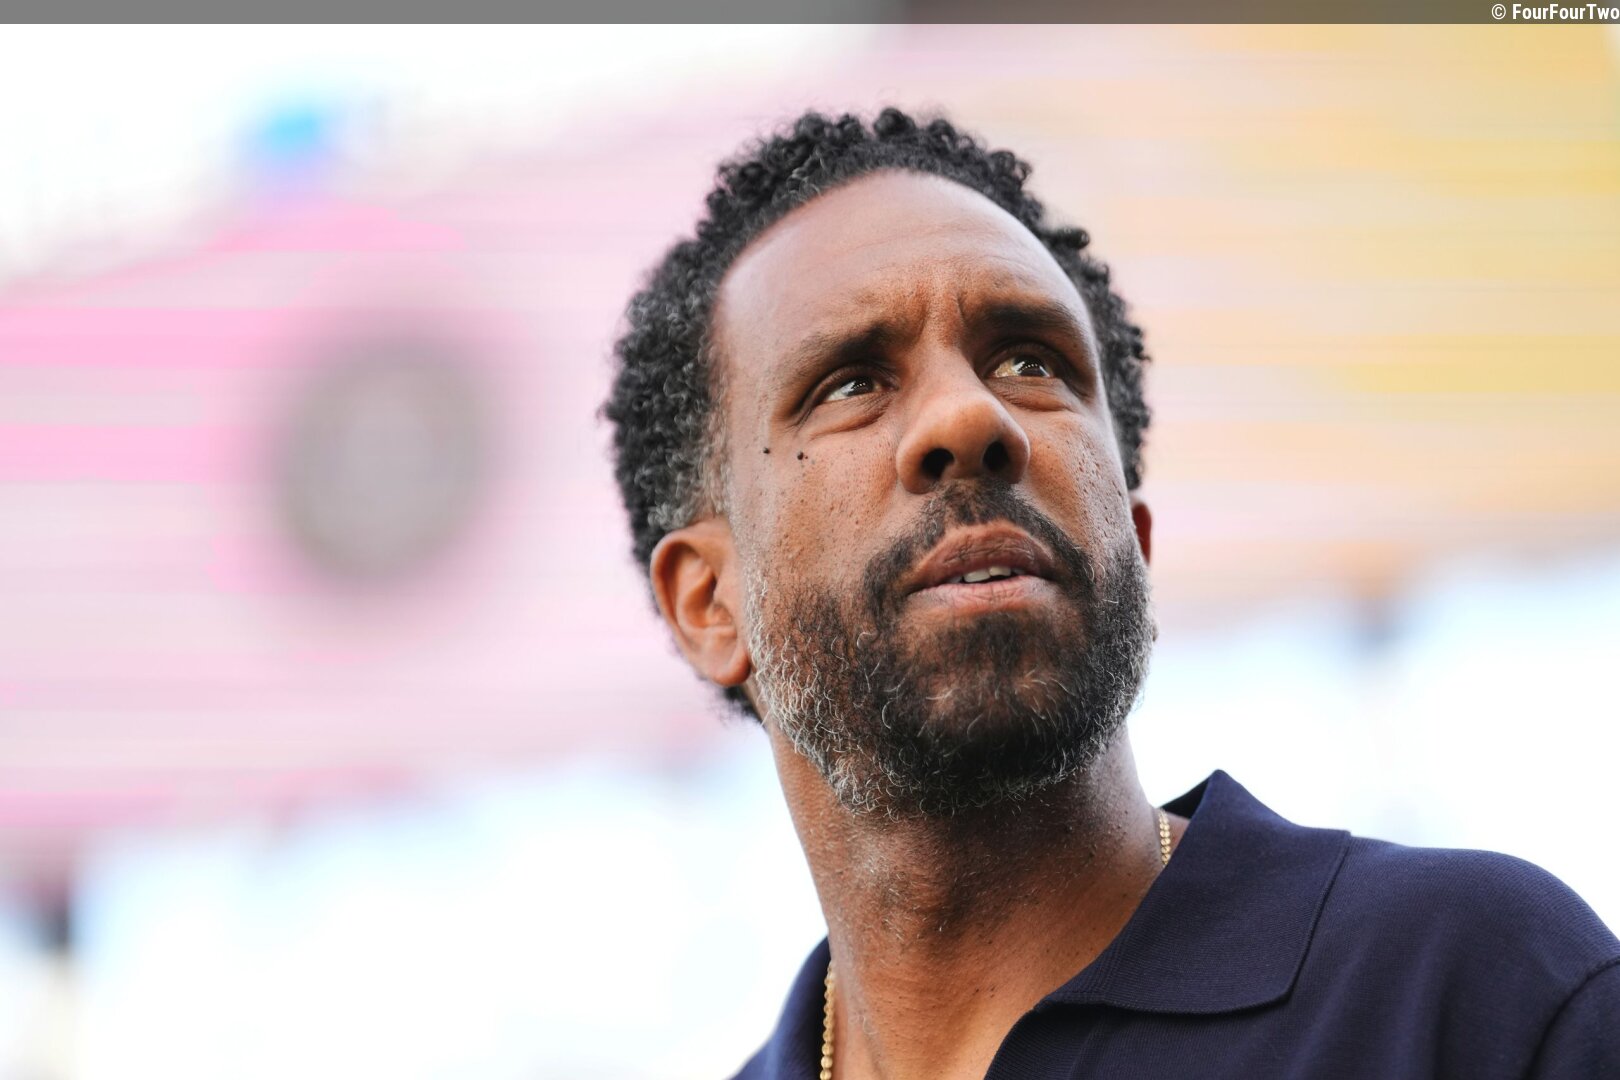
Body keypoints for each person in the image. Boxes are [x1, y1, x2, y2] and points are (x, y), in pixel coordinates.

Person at [603, 108, 1620, 1080]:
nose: (970, 418)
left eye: (1029, 361)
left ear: (1132, 540)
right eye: (852, 382)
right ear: (708, 603)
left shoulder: (1474, 989)